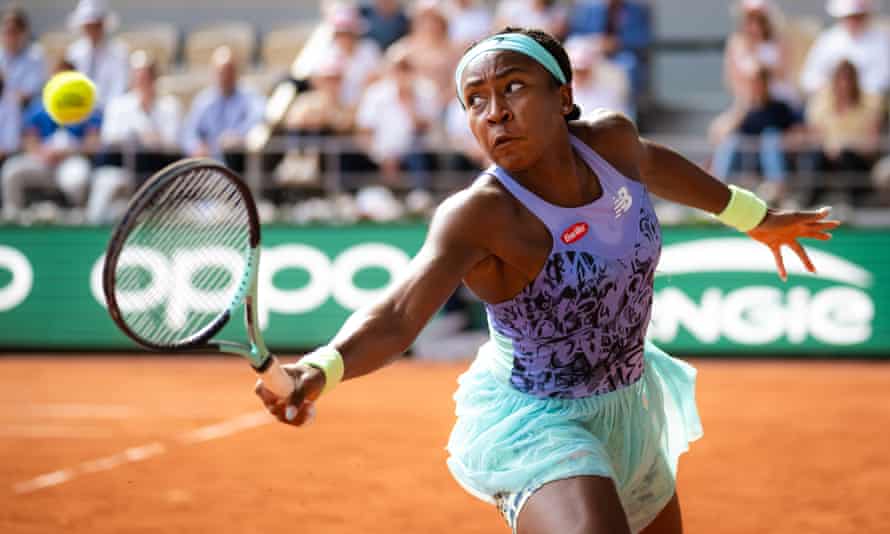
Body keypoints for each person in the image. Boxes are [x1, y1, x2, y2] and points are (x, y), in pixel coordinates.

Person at [255, 28, 838, 534]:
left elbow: (656, 166)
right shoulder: (479, 214)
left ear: (564, 98)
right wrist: (321, 367)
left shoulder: (610, 143)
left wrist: (755, 218)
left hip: (630, 411)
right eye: (474, 100)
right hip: (539, 424)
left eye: (513, 87)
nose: (494, 112)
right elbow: (400, 314)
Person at [89, 51, 182, 223]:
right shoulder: (118, 105)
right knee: (104, 182)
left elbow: (174, 142)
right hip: (122, 168)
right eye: (139, 76)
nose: (142, 81)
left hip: (159, 170)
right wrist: (137, 138)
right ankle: (93, 226)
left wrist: (154, 139)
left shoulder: (170, 106)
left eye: (147, 76)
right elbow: (109, 139)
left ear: (154, 78)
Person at [2, 60, 101, 221]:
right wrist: (42, 152)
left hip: (72, 161)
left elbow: (92, 142)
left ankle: (75, 222)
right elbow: (29, 139)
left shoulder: (89, 107)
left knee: (79, 179)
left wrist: (67, 152)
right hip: (42, 161)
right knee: (11, 171)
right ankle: (15, 218)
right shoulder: (38, 107)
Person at [710, 67, 804, 202]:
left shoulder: (780, 108)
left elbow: (798, 132)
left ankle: (777, 188)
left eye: (760, 82)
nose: (757, 86)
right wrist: (742, 109)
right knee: (732, 141)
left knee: (770, 137)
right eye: (753, 82)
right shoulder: (742, 110)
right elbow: (717, 134)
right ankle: (718, 188)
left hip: (775, 159)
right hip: (744, 160)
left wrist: (784, 140)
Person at [354, 46, 441, 188]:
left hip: (416, 153)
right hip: (379, 156)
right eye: (398, 68)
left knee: (417, 150)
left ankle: (420, 195)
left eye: (407, 68)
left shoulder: (427, 91)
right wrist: (381, 157)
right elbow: (364, 132)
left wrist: (409, 102)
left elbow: (425, 128)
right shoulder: (375, 93)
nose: (402, 73)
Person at [804, 60, 883, 205]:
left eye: (848, 79)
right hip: (827, 158)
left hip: (857, 160)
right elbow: (814, 137)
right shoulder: (821, 104)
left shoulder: (870, 105)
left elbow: (873, 145)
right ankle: (810, 204)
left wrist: (844, 148)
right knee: (818, 157)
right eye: (840, 79)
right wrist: (831, 150)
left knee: (846, 156)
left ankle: (855, 204)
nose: (844, 84)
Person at [181, 46, 265, 172]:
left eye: (228, 71)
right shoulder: (204, 100)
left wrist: (237, 136)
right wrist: (196, 146)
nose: (224, 76)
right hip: (209, 165)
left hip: (240, 161)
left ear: (236, 72)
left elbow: (259, 119)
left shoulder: (251, 96)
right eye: (220, 72)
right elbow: (189, 132)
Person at [799, 0, 890, 96]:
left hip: (866, 102)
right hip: (831, 101)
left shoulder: (880, 41)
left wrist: (854, 91)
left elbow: (882, 79)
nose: (853, 21)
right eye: (850, 17)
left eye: (858, 16)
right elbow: (809, 77)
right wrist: (831, 89)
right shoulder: (828, 40)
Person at [568, 0, 652, 92]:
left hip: (622, 54)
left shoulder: (636, 11)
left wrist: (618, 43)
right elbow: (575, 37)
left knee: (629, 64)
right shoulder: (589, 10)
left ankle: (624, 102)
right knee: (579, 62)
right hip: (593, 54)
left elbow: (643, 39)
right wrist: (594, 42)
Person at [723, 0, 797, 106]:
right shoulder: (736, 43)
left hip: (782, 103)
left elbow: (785, 72)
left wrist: (764, 71)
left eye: (760, 19)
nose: (754, 25)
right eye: (750, 18)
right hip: (750, 105)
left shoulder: (779, 41)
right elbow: (732, 79)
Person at [65, 0, 129, 111]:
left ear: (103, 25)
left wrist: (104, 110)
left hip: (108, 111)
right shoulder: (74, 52)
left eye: (96, 25)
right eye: (88, 26)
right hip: (77, 110)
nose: (92, 30)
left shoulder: (118, 52)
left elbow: (119, 88)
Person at [0, 4, 46, 109]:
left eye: (14, 32)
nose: (10, 37)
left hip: (26, 115)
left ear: (24, 32)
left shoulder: (35, 56)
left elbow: (28, 94)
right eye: (6, 32)